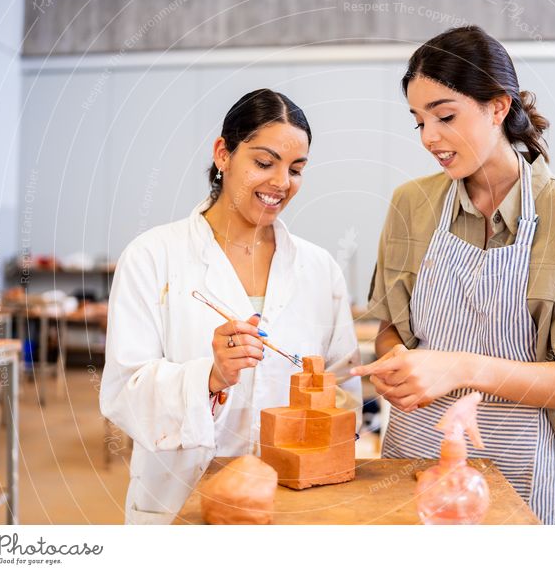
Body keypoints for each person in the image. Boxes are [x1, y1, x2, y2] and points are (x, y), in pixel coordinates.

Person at [352, 26, 555, 524]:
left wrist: (458, 368)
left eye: (445, 116)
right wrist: (395, 363)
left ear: (498, 108)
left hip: (520, 471)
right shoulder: (411, 205)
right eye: (419, 122)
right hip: (414, 458)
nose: (430, 137)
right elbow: (392, 327)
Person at [101, 89, 363, 525]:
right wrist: (211, 375)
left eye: (296, 169)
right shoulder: (152, 257)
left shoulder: (319, 269)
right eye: (264, 162)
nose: (281, 182)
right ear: (223, 153)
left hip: (291, 501)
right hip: (180, 496)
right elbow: (122, 391)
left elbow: (342, 390)